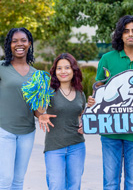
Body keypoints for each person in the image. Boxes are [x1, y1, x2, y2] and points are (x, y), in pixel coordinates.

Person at [88, 15, 133, 189]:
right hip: (110, 131)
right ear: (120, 35)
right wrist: (93, 101)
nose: (130, 34)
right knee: (110, 182)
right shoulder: (107, 59)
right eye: (126, 31)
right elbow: (99, 87)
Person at [38, 53, 86, 190]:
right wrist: (41, 114)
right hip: (54, 147)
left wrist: (85, 125)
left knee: (74, 186)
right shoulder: (48, 92)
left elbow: (82, 116)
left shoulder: (80, 93)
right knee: (56, 186)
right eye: (59, 68)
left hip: (77, 146)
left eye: (67, 67)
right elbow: (39, 110)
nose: (63, 71)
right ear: (55, 71)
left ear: (73, 70)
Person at [0, 27, 39, 189]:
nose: (19, 44)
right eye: (14, 41)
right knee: (5, 179)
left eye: (23, 40)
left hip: (27, 132)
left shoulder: (36, 74)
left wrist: (43, 114)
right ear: (9, 45)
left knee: (18, 180)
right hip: (4, 130)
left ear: (29, 43)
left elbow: (37, 108)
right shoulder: (2, 67)